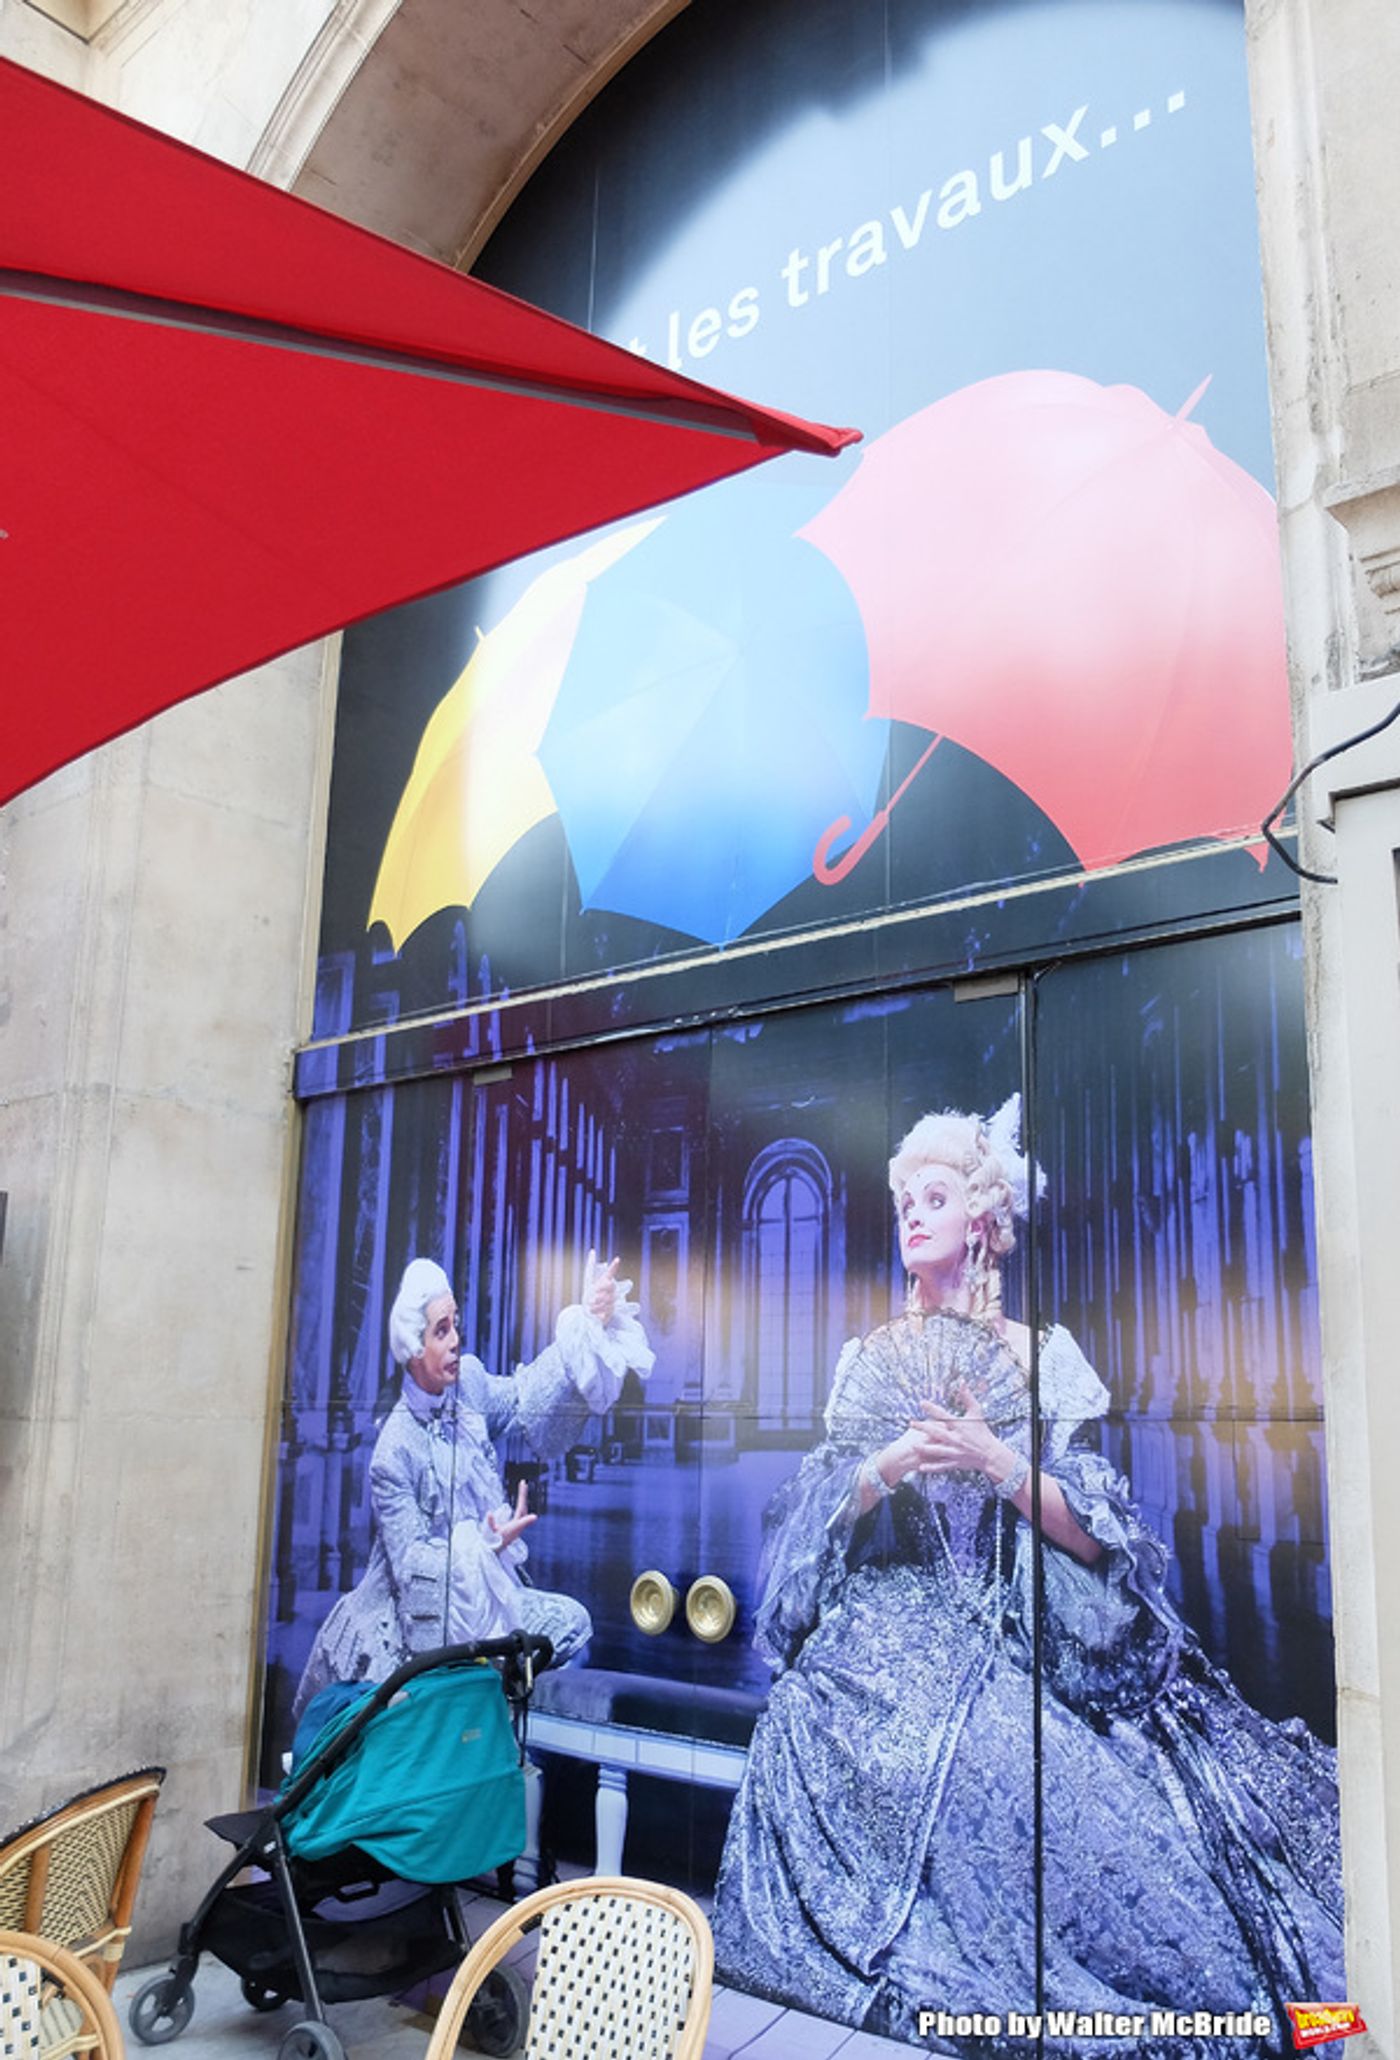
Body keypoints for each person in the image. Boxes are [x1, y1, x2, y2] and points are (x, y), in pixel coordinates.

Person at [711, 1100, 1342, 2054]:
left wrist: (994, 1459)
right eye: (901, 1203)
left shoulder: (1040, 1357)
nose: (912, 1216)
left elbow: (1100, 1540)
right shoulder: (866, 1362)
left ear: (984, 1220)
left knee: (1081, 1802)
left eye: (935, 1197)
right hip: (886, 1631)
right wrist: (885, 1468)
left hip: (1016, 1631)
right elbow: (809, 1515)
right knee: (816, 1720)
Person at [293, 1249, 652, 1720]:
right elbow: (409, 1565)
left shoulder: (472, 1386)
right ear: (413, 1345)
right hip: (418, 1615)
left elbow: (526, 1400)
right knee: (427, 1693)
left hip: (488, 1595)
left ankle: (490, 1728)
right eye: (442, 1331)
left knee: (570, 1624)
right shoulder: (394, 1450)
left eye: (456, 1325)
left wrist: (586, 1322)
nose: (456, 1340)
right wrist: (480, 1547)